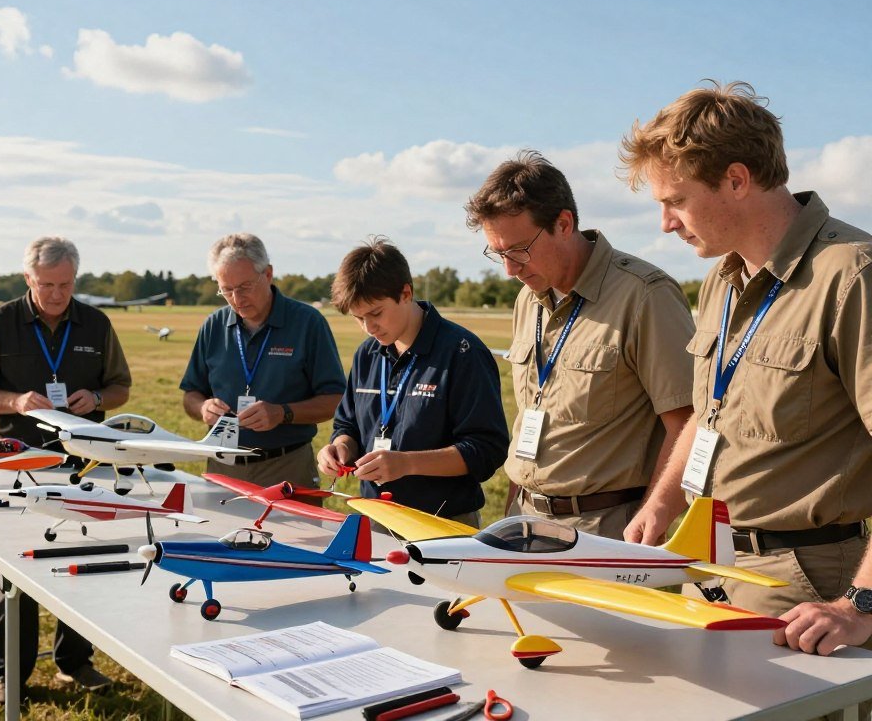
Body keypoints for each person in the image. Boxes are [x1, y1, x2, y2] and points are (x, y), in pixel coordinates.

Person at [619, 80, 872, 657]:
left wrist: (860, 605)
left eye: (675, 201)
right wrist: (662, 503)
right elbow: (710, 413)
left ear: (736, 180)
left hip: (803, 586)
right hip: (709, 562)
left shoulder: (852, 277)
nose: (665, 223)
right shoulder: (722, 282)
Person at [463, 150, 694, 540]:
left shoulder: (644, 296)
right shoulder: (528, 298)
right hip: (523, 518)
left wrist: (652, 514)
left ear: (564, 223)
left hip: (602, 530)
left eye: (518, 250)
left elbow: (687, 420)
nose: (509, 269)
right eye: (498, 253)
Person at [0, 236, 132, 706]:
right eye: (47, 285)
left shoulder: (96, 323)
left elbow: (120, 387)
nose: (57, 294)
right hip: (16, 463)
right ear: (28, 280)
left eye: (66, 284)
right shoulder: (0, 322)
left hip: (81, 464)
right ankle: (7, 675)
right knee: (11, 568)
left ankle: (75, 661)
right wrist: (13, 400)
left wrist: (96, 400)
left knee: (81, 558)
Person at [317, 238, 508, 526]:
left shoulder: (462, 352)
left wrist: (407, 463)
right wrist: (340, 448)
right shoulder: (367, 354)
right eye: (359, 318)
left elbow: (486, 449)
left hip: (444, 524)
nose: (369, 328)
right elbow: (348, 425)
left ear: (406, 293)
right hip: (374, 516)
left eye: (376, 313)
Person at [181, 233, 345, 488]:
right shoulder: (213, 326)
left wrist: (282, 413)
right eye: (226, 290)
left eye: (245, 287)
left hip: (286, 466)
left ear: (268, 274)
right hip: (223, 467)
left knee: (296, 530)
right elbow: (191, 394)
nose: (237, 298)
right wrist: (203, 408)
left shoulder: (307, 323)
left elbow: (335, 401)